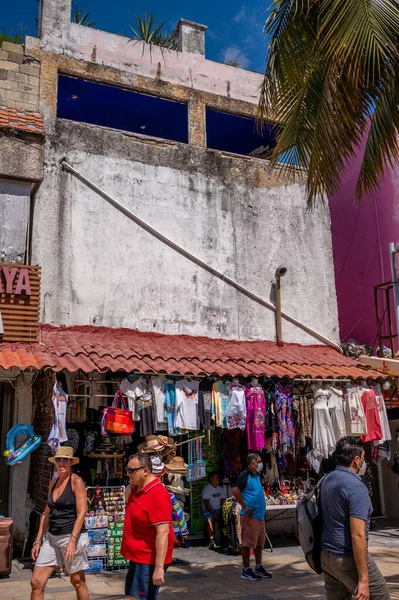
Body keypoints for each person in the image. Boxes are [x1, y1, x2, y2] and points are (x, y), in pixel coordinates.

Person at [320, 436, 390, 600]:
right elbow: (357, 535)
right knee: (381, 597)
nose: (364, 463)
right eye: (364, 458)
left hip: (328, 556)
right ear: (357, 460)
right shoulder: (355, 486)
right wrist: (364, 580)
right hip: (346, 557)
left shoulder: (327, 480)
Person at [30, 446, 89, 600]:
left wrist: (72, 540)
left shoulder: (76, 481)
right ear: (54, 462)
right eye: (58, 459)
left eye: (65, 460)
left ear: (71, 462)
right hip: (52, 538)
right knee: (37, 582)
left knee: (77, 581)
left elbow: (82, 512)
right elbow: (46, 513)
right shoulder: (54, 482)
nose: (61, 463)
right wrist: (37, 540)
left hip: (71, 536)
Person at [121, 452, 174, 600]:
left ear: (146, 471)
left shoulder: (157, 493)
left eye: (132, 471)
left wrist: (159, 568)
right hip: (138, 557)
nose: (128, 474)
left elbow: (163, 533)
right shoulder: (137, 488)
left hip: (148, 559)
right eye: (127, 470)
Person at [233, 453, 271, 581]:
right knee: (247, 543)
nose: (261, 464)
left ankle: (259, 566)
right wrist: (245, 507)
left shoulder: (257, 475)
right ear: (252, 464)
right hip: (249, 516)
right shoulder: (245, 475)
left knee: (260, 543)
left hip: (259, 515)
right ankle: (246, 569)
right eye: (259, 462)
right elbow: (235, 491)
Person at [201, 472, 225, 549]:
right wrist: (214, 514)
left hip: (218, 509)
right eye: (216, 477)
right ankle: (212, 540)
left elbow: (223, 501)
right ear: (211, 479)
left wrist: (222, 511)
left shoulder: (220, 488)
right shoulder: (206, 489)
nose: (218, 479)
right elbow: (207, 504)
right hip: (209, 510)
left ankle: (225, 539)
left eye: (218, 477)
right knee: (209, 520)